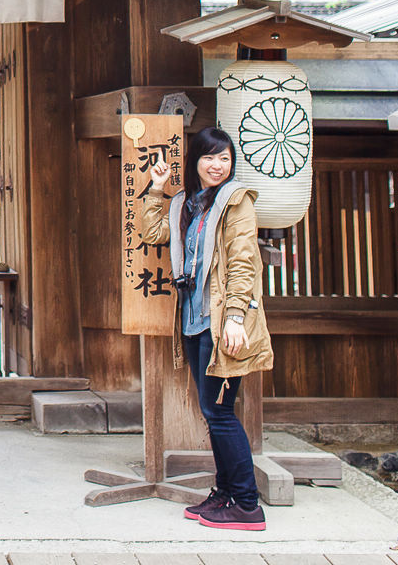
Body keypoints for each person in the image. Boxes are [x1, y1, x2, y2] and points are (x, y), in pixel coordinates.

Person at [144, 125, 272, 531]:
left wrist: (235, 317)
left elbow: (243, 263)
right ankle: (226, 492)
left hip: (221, 323)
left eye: (224, 158)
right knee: (211, 410)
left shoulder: (236, 202)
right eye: (209, 157)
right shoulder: (187, 202)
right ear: (194, 161)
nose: (217, 166)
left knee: (219, 411)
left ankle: (247, 504)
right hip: (194, 320)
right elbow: (153, 232)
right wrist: (156, 188)